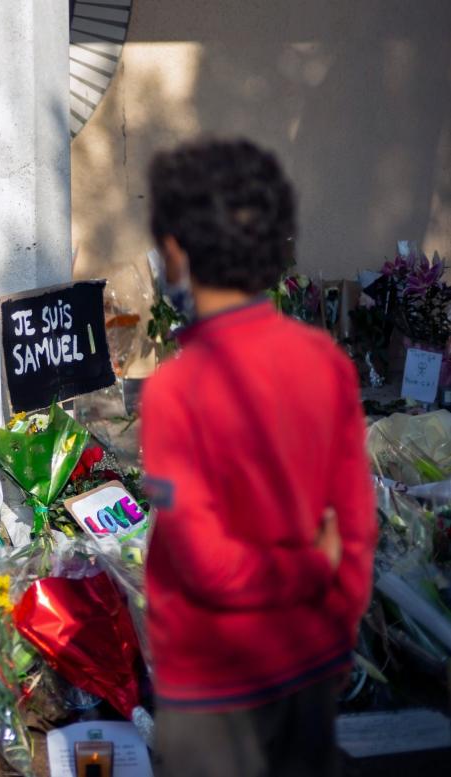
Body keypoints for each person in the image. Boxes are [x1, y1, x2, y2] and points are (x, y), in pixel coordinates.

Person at [140, 138, 377, 777]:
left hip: (213, 691)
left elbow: (206, 564)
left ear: (178, 251)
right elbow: (355, 525)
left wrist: (304, 569)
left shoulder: (175, 391)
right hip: (308, 666)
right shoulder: (325, 361)